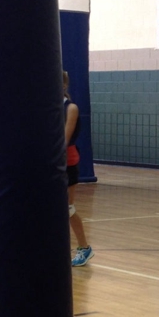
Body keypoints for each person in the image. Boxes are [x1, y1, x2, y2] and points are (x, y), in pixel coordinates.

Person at [63, 71, 94, 267]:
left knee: (66, 208)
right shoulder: (44, 107)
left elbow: (63, 139)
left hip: (66, 161)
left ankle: (84, 247)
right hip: (48, 162)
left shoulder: (70, 108)